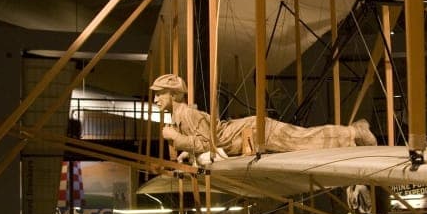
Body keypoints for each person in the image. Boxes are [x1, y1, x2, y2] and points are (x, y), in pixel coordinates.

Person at [149, 74, 376, 164]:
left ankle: (355, 132)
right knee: (304, 139)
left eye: (160, 93)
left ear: (175, 94)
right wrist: (187, 149)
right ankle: (353, 133)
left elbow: (208, 143)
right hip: (243, 134)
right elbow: (205, 137)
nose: (156, 98)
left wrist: (176, 138)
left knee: (305, 140)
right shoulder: (182, 115)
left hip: (255, 131)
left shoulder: (187, 114)